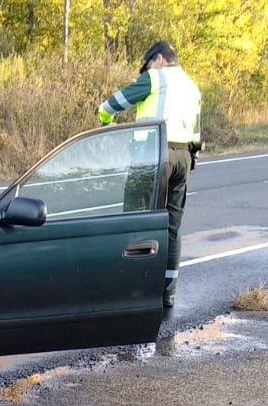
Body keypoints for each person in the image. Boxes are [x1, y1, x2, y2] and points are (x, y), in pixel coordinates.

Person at [98, 40, 202, 308]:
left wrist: (106, 121)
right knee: (172, 226)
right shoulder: (192, 87)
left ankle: (132, 287)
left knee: (135, 219)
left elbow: (111, 105)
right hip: (183, 158)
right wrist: (191, 159)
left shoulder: (155, 79)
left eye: (147, 65)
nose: (145, 71)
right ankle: (167, 292)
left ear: (158, 59)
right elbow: (197, 133)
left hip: (153, 158)